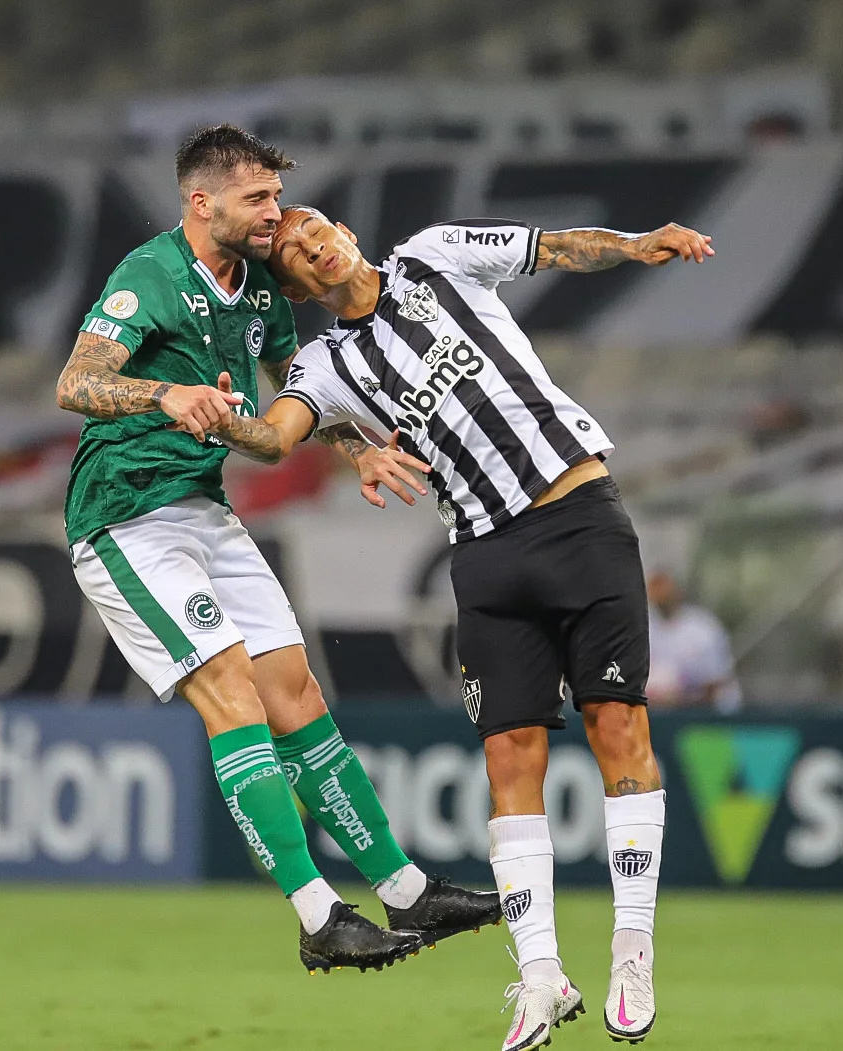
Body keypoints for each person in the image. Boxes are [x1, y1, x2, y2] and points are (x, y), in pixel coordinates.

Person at [221, 204, 714, 1050]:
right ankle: (539, 977)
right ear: (298, 285)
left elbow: (555, 247)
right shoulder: (325, 362)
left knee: (617, 726)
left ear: (342, 229)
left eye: (315, 229)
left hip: (579, 515)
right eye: (297, 253)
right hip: (485, 555)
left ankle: (631, 951)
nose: (312, 245)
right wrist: (208, 411)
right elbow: (275, 436)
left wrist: (635, 245)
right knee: (507, 756)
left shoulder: (437, 254)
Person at [52, 123, 499, 974]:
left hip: (204, 512)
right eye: (256, 198)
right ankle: (316, 912)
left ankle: (404, 890)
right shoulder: (147, 276)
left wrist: (356, 448)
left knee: (293, 691)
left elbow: (301, 392)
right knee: (233, 693)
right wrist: (162, 393)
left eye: (275, 195)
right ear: (201, 201)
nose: (274, 212)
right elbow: (74, 381)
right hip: (123, 518)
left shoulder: (259, 290)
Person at [644, 571, 741, 710]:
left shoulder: (702, 627)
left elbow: (716, 682)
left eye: (665, 591)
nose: (661, 597)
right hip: (663, 711)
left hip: (711, 713)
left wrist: (679, 699)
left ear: (677, 592)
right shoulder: (646, 627)